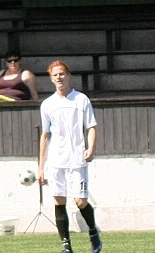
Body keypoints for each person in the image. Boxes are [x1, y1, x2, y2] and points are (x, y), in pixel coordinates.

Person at [38, 60, 102, 253]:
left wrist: (91, 148)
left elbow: (91, 126)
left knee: (80, 201)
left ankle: (93, 233)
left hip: (77, 159)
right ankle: (66, 245)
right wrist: (41, 167)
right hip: (56, 161)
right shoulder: (47, 104)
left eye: (61, 73)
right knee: (59, 201)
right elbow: (45, 134)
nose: (59, 77)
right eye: (55, 74)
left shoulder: (81, 100)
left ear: (68, 75)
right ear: (51, 78)